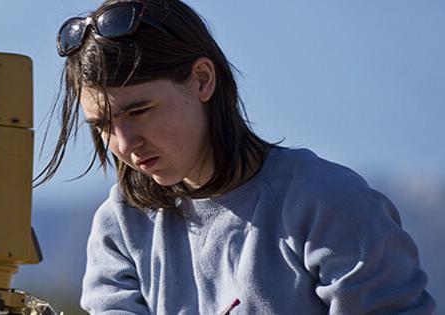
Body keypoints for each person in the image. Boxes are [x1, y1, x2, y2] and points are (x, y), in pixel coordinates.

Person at [39, 0, 436, 313]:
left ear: (202, 80)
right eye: (103, 125)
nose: (124, 143)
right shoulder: (122, 224)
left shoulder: (327, 201)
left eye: (139, 111)